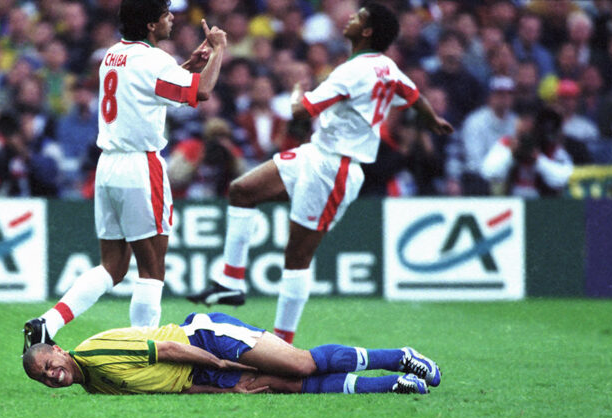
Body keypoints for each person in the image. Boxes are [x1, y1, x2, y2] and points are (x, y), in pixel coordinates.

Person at [188, 3, 453, 344]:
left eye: (358, 17)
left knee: (296, 257)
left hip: (337, 168)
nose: (351, 18)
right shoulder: (385, 66)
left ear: (368, 32)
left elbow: (301, 110)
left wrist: (298, 92)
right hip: (316, 153)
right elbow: (414, 95)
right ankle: (230, 283)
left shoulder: (350, 73)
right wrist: (432, 120)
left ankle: (282, 345)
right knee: (242, 190)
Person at [22, 0, 228, 352]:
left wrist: (187, 67)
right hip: (140, 166)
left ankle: (47, 323)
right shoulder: (154, 61)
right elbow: (202, 92)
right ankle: (143, 352)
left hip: (109, 166)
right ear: (151, 25)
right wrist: (220, 49)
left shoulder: (112, 55)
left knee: (113, 267)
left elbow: (144, 92)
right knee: (152, 269)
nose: (171, 18)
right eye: (165, 14)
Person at [23, 311, 441, 395]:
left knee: (302, 362)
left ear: (59, 350)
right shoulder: (95, 388)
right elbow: (171, 391)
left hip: (203, 340)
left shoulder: (95, 350)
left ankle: (399, 355)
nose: (51, 375)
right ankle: (394, 385)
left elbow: (169, 349)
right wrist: (227, 388)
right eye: (44, 377)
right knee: (285, 385)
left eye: (48, 365)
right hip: (197, 375)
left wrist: (221, 362)